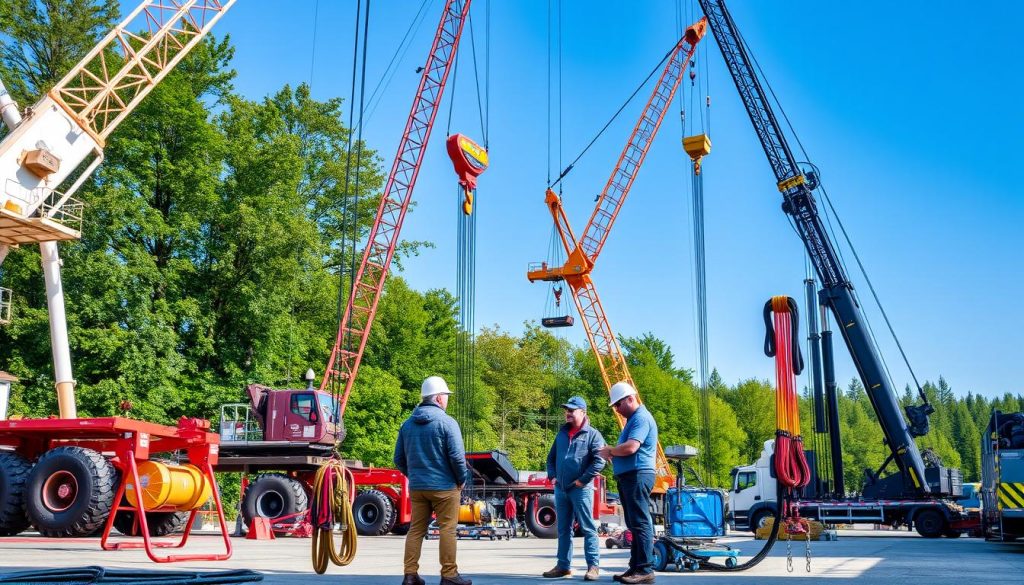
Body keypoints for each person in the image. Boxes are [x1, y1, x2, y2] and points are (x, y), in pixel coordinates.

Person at [394, 376, 472, 585]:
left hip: (418, 488)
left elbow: (398, 459)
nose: (447, 400)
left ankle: (410, 575)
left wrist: (415, 475)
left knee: (416, 530)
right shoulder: (447, 422)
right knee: (447, 529)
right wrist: (461, 479)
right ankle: (449, 575)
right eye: (446, 396)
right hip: (445, 487)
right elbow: (457, 457)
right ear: (438, 398)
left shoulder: (407, 424)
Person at [599, 382, 658, 584]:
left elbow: (631, 447)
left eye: (618, 404)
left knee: (640, 523)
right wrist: (615, 453)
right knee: (634, 523)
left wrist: (610, 450)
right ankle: (636, 568)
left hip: (637, 475)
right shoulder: (634, 420)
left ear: (630, 399)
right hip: (631, 475)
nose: (616, 409)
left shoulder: (640, 418)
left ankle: (644, 569)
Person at [542, 396, 606, 581]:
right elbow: (550, 458)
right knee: (563, 529)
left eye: (571, 410)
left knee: (588, 528)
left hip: (581, 489)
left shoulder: (593, 435)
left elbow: (599, 461)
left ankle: (593, 567)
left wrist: (582, 480)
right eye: (566, 410)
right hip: (561, 489)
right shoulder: (561, 434)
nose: (567, 413)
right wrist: (552, 477)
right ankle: (563, 566)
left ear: (583, 412)